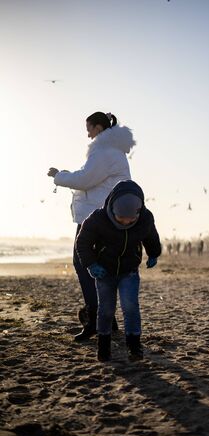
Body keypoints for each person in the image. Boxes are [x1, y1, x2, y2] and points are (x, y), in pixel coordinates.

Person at [47, 112, 135, 341]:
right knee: (98, 266)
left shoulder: (104, 151)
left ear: (98, 127)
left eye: (89, 128)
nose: (87, 134)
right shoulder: (112, 151)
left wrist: (59, 175)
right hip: (105, 214)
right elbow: (91, 178)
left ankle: (96, 319)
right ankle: (108, 320)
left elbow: (85, 179)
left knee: (83, 261)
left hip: (96, 216)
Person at [76, 180, 161, 362]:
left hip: (129, 271)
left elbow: (151, 236)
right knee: (106, 310)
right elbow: (82, 242)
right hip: (104, 272)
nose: (125, 222)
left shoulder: (145, 218)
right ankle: (103, 347)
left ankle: (134, 347)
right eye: (120, 217)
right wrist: (91, 264)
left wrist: (154, 253)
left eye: (130, 219)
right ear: (112, 208)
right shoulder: (97, 218)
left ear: (138, 212)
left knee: (130, 308)